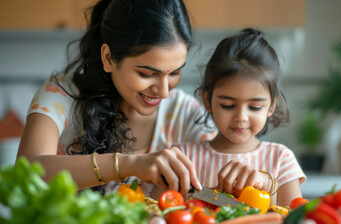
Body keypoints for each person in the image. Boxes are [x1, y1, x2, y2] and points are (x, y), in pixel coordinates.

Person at [17, 0, 216, 197]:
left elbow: (225, 158)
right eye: (147, 74)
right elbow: (27, 172)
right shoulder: (60, 95)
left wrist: (242, 168)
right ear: (109, 58)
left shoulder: (184, 112)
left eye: (174, 73)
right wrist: (131, 164)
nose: (164, 92)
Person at [175, 28, 306, 207]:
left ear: (271, 106)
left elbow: (293, 223)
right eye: (228, 105)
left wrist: (268, 185)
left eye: (255, 107)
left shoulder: (281, 159)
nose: (241, 117)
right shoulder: (183, 158)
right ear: (207, 100)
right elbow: (157, 213)